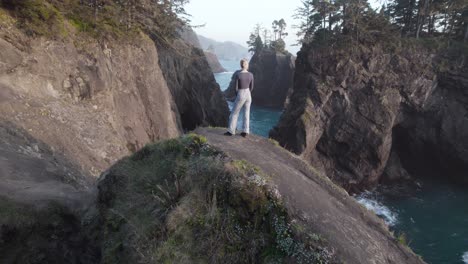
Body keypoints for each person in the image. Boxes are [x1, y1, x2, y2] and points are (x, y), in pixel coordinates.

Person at [225, 58, 254, 138]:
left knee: (234, 113)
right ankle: (245, 131)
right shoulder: (251, 74)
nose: (248, 65)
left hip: (241, 93)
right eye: (247, 64)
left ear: (241, 65)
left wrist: (238, 95)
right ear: (245, 65)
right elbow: (252, 87)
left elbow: (236, 88)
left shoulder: (238, 74)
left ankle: (231, 131)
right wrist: (247, 92)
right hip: (248, 94)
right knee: (246, 112)